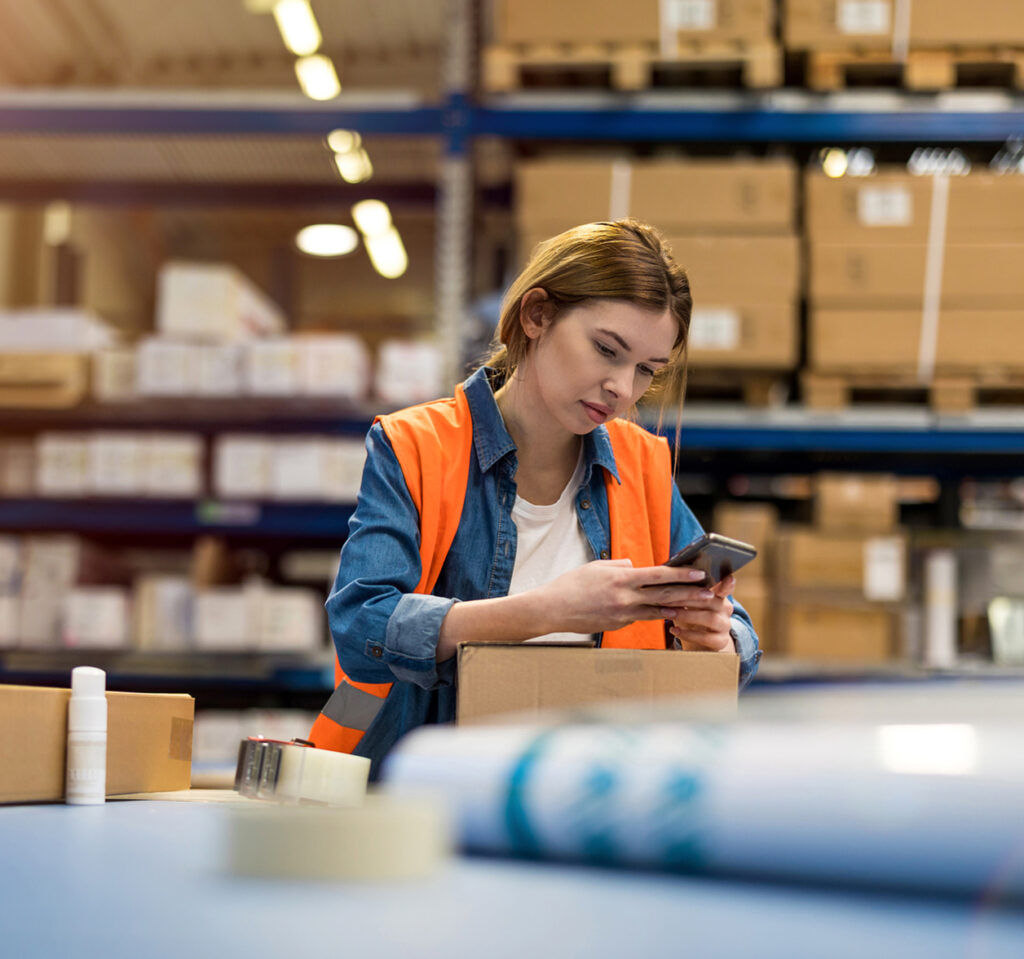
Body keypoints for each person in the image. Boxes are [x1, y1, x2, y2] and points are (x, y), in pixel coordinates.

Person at [310, 219, 762, 776]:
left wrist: (716, 639)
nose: (623, 388)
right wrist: (545, 611)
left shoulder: (641, 463)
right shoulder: (413, 446)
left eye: (647, 369)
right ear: (537, 315)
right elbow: (362, 625)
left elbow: (739, 633)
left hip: (584, 788)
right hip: (422, 787)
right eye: (606, 350)